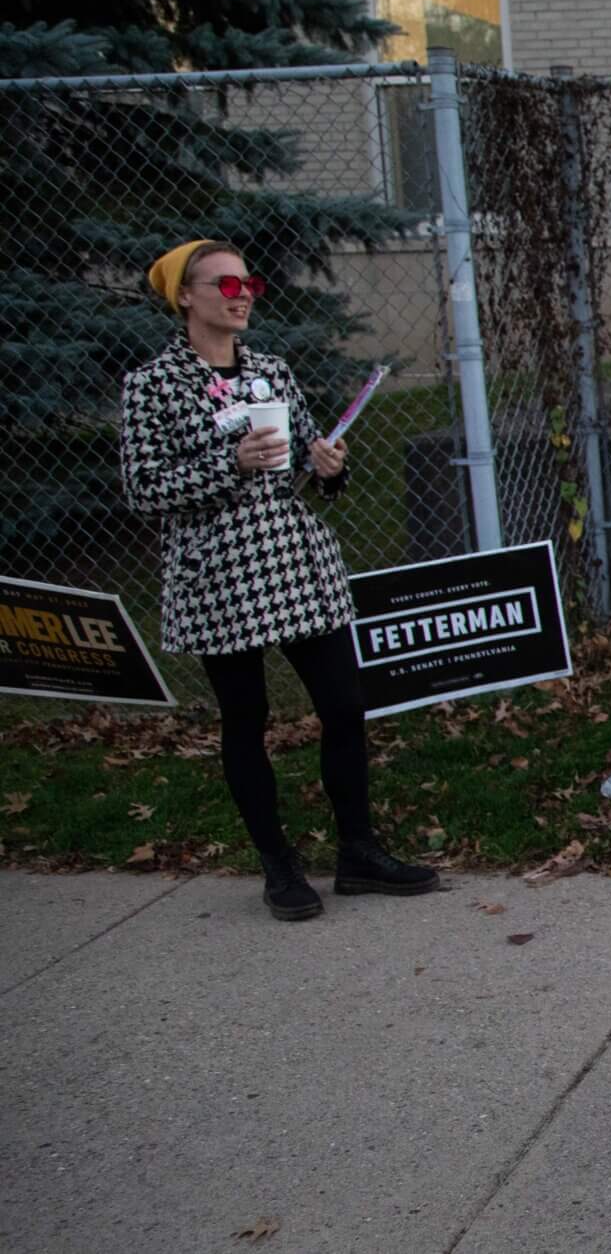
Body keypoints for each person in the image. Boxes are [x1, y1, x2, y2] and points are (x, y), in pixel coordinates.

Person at [118, 240, 437, 922]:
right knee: (246, 718)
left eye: (249, 283)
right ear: (185, 296)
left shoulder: (271, 371)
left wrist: (327, 466)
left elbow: (303, 462)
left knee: (345, 707)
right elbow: (144, 489)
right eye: (224, 283)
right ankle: (278, 866)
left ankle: (359, 852)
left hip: (293, 563)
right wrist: (227, 463)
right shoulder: (152, 385)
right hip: (220, 575)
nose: (241, 295)